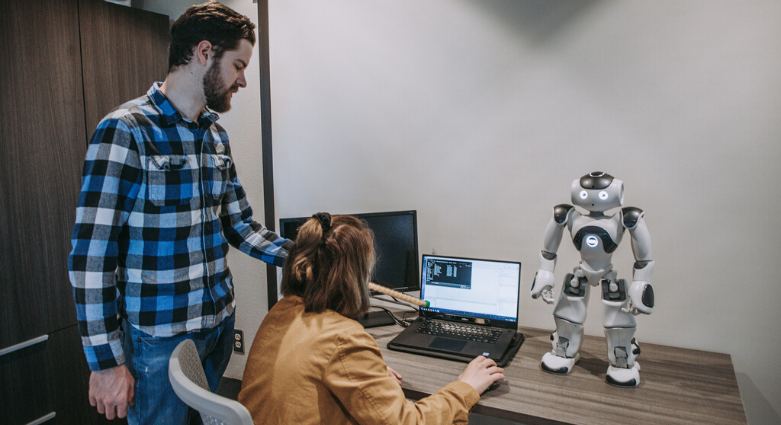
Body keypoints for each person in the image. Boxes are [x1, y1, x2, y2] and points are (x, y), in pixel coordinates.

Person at [67, 2, 292, 423]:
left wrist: (302, 253)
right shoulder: (126, 130)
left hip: (219, 325)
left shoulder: (216, 137)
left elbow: (239, 225)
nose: (243, 80)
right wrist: (105, 362)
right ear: (204, 53)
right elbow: (91, 257)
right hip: (158, 342)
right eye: (238, 65)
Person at [238, 213, 504, 424]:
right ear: (354, 277)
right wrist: (465, 387)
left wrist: (360, 373)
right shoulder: (343, 338)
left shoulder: (281, 310)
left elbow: (310, 368)